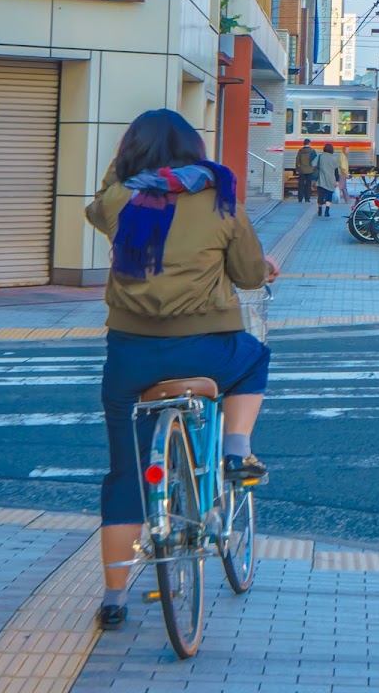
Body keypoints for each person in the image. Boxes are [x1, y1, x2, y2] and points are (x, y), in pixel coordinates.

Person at [86, 108, 276, 631]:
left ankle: (113, 597)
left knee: (125, 474)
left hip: (132, 357)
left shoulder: (119, 199)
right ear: (194, 150)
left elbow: (95, 205)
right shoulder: (219, 198)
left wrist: (119, 169)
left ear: (129, 153)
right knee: (255, 359)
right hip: (207, 351)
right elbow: (247, 274)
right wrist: (262, 269)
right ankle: (236, 449)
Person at [314, 144, 347, 217]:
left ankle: (319, 211)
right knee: (329, 196)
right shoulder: (333, 159)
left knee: (320, 196)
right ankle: (327, 211)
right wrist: (337, 181)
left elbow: (313, 164)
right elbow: (336, 171)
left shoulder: (320, 157)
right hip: (331, 180)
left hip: (321, 180)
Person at [292, 138, 318, 205]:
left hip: (302, 170)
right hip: (309, 170)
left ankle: (300, 198)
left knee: (300, 185)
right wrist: (314, 169)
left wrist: (297, 169)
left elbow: (297, 160)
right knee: (308, 185)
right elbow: (315, 160)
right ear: (309, 143)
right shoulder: (312, 151)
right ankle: (307, 199)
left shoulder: (300, 151)